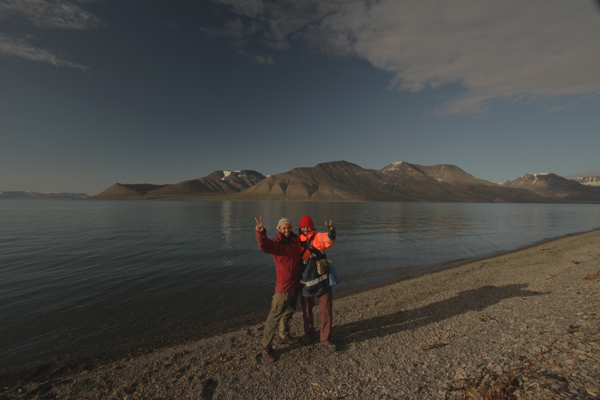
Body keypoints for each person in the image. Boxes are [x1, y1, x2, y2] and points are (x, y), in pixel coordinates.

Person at [254, 216, 302, 363]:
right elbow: (264, 246)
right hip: (283, 286)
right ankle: (266, 347)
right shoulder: (277, 244)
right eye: (284, 228)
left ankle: (284, 335)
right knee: (274, 317)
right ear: (279, 230)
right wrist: (261, 233)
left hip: (295, 284)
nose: (287, 230)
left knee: (289, 312)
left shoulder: (295, 241)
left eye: (289, 227)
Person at [298, 215, 337, 351]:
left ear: (312, 227)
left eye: (308, 226)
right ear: (300, 227)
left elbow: (326, 240)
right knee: (307, 312)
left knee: (326, 311)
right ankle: (309, 335)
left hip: (322, 284)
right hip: (305, 286)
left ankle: (325, 339)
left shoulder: (317, 237)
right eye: (304, 226)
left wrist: (331, 234)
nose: (306, 228)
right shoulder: (296, 241)